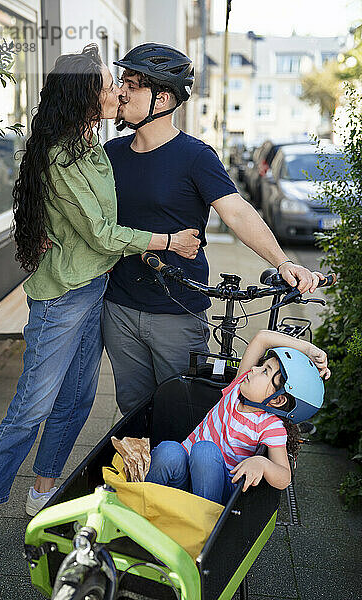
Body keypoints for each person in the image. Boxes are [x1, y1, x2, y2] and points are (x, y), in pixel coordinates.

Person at [0, 44, 200, 588]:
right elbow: (99, 233)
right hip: (64, 297)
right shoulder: (62, 157)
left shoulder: (91, 145)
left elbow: (107, 215)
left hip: (96, 288)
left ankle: (43, 489)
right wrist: (167, 240)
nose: (118, 89)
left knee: (76, 401)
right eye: (108, 83)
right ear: (84, 96)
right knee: (30, 409)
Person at [102, 43, 326, 415]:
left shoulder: (195, 156)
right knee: (132, 412)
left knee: (184, 413)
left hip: (176, 311)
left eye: (132, 84)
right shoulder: (111, 154)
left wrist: (282, 262)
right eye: (122, 80)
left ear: (162, 99)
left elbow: (237, 212)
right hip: (119, 307)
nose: (121, 91)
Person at [145, 330, 330, 504]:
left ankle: (202, 525)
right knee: (169, 450)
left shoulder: (270, 426)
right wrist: (308, 349)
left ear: (278, 400)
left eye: (265, 371)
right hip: (185, 477)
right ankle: (144, 503)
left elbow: (284, 478)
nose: (254, 370)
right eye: (261, 366)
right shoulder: (236, 388)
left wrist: (262, 463)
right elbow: (262, 339)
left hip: (215, 490)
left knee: (205, 451)